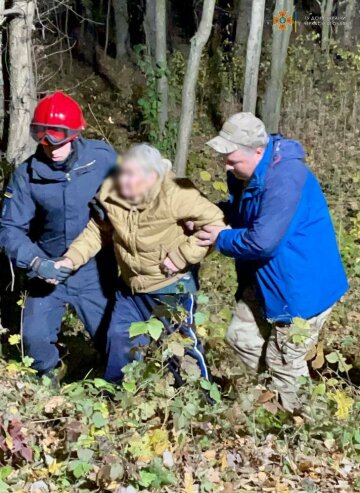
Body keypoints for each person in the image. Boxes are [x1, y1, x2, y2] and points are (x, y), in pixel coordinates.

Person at [196, 112, 348, 411]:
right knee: (241, 336)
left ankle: (309, 426)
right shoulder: (248, 173)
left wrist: (220, 238)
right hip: (271, 280)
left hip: (302, 289)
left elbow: (262, 241)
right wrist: (210, 215)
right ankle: (272, 400)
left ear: (257, 150)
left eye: (231, 158)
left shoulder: (285, 178)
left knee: (285, 362)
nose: (225, 164)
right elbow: (246, 215)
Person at [55, 143, 226, 383]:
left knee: (179, 347)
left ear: (152, 178)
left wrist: (181, 257)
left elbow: (218, 227)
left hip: (170, 286)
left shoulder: (178, 193)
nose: (123, 186)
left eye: (132, 180)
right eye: (122, 176)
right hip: (130, 286)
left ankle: (199, 398)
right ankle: (118, 398)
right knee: (120, 338)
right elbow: (98, 231)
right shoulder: (110, 192)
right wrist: (71, 258)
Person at [0, 91, 117, 380]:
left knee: (118, 343)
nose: (52, 147)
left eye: (60, 137)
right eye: (43, 138)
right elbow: (9, 228)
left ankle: (105, 371)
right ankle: (51, 371)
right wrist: (36, 261)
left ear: (76, 134)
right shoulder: (26, 175)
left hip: (94, 269)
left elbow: (133, 200)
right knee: (34, 341)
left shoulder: (101, 159)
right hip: (47, 267)